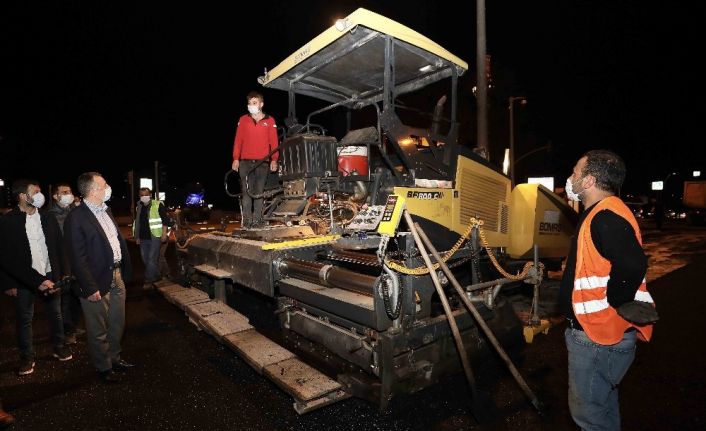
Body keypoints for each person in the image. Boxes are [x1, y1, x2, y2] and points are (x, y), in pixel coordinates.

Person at [559, 150, 657, 430]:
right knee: (602, 407)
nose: (571, 177)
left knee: (590, 415)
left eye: (576, 172)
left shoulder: (605, 216)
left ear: (589, 181)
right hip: (602, 333)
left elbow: (632, 263)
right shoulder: (602, 213)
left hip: (597, 335)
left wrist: (617, 299)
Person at [64, 172, 134, 383]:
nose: (108, 188)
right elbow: (77, 257)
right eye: (104, 185)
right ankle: (104, 367)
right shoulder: (76, 217)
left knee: (117, 323)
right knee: (97, 328)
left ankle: (115, 358)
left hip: (117, 275)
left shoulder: (106, 211)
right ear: (93, 190)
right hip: (95, 281)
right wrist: (89, 286)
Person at [0, 179, 72, 376]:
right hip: (24, 280)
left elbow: (59, 246)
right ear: (23, 196)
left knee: (55, 313)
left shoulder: (48, 218)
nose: (41, 195)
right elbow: (5, 257)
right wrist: (8, 283)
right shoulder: (8, 221)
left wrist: (64, 271)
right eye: (36, 191)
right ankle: (27, 357)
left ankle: (59, 346)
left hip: (50, 274)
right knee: (24, 319)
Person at [231, 91, 279, 229]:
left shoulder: (270, 120)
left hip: (262, 163)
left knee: (258, 193)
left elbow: (274, 143)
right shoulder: (243, 120)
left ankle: (257, 221)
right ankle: (247, 221)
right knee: (246, 193)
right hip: (245, 162)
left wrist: (274, 160)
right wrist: (236, 158)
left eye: (254, 103)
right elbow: (238, 141)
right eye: (249, 103)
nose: (251, 106)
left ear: (261, 104)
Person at [49, 182, 84, 344]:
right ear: (56, 196)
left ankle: (74, 325)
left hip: (78, 261)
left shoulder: (74, 212)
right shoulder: (50, 216)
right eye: (64, 192)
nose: (68, 194)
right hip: (63, 264)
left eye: (69, 191)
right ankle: (66, 330)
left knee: (77, 296)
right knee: (65, 298)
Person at [132, 188, 171, 288]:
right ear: (139, 196)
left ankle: (148, 280)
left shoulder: (158, 204)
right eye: (141, 195)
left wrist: (164, 234)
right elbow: (137, 223)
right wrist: (137, 236)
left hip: (155, 236)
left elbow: (165, 220)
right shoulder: (139, 206)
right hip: (143, 237)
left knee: (151, 259)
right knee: (145, 259)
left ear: (150, 195)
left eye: (146, 194)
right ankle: (157, 275)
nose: (143, 197)